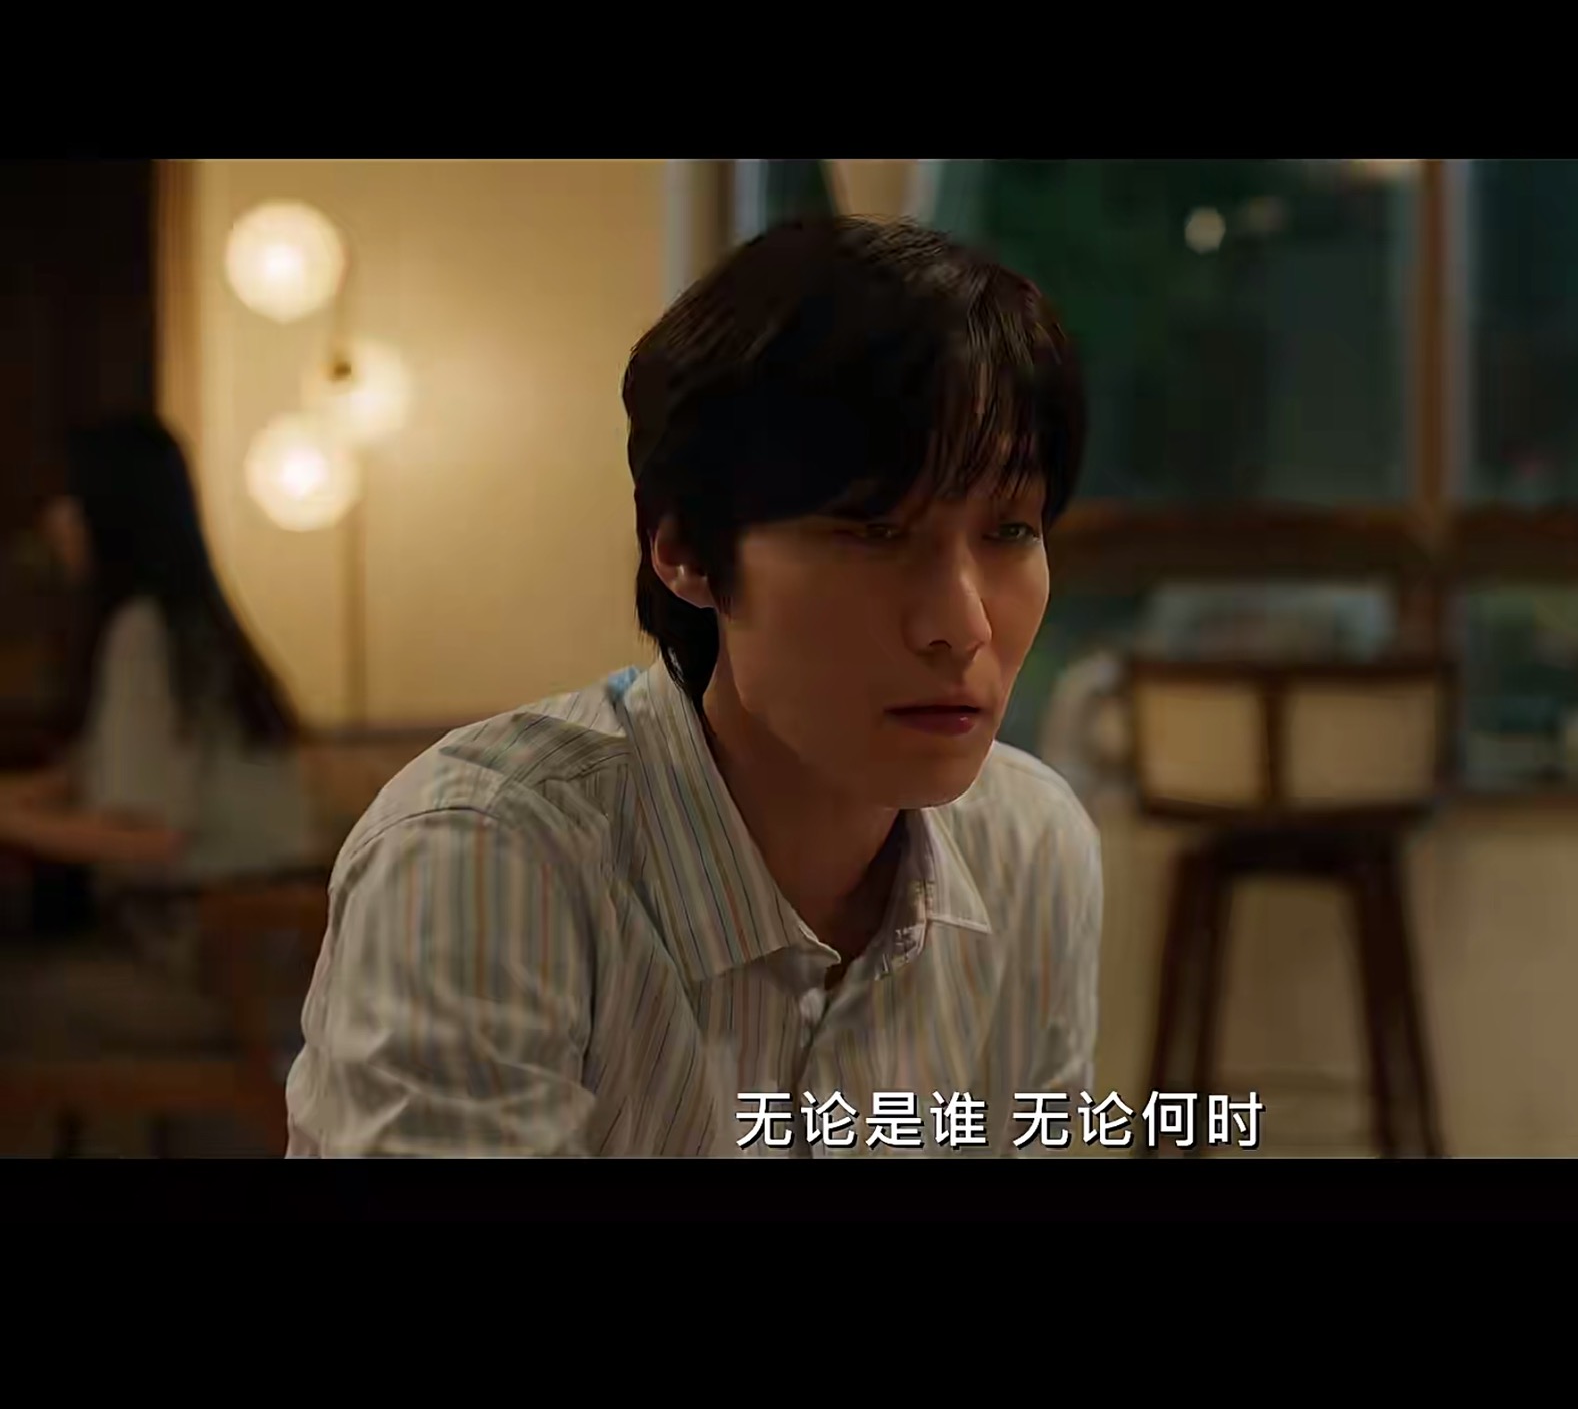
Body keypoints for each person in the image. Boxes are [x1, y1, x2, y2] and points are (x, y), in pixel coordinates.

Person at [285, 216, 1102, 1158]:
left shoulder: (1030, 847)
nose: (963, 623)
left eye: (1010, 531)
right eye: (876, 532)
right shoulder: (489, 858)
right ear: (685, 551)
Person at [0, 417, 318, 1082]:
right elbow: (80, 779)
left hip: (220, 968)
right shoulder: (186, 627)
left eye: (69, 497)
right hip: (270, 962)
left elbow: (153, 837)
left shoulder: (141, 635)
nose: (54, 520)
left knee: (18, 997)